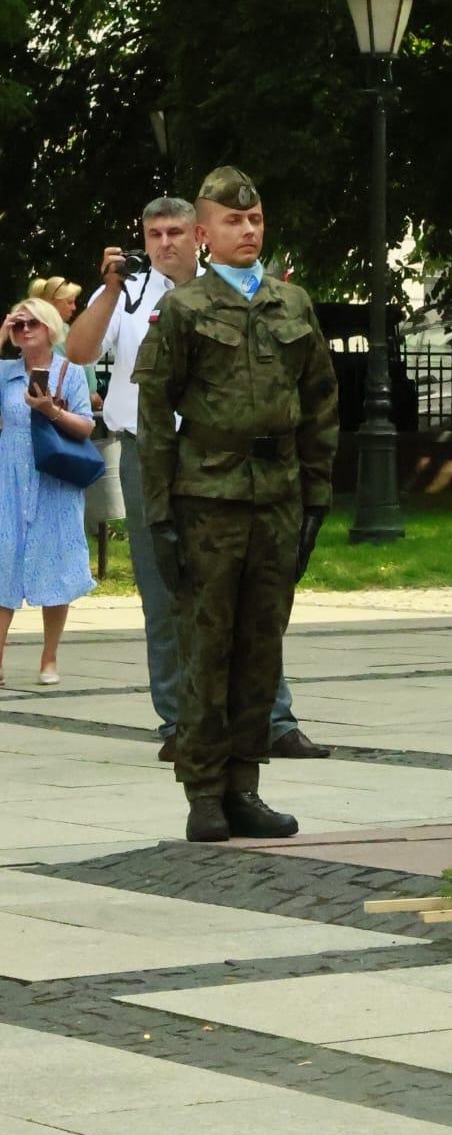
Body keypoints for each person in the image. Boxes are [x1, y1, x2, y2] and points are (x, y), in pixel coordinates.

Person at [67, 198, 328, 762]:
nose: (165, 243)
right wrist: (110, 289)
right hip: (146, 454)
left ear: (200, 235)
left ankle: (272, 720)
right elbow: (78, 351)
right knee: (163, 588)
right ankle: (179, 724)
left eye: (177, 231)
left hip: (220, 456)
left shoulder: (232, 290)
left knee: (250, 588)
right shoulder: (129, 294)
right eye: (154, 233)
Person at [133, 167, 341, 842]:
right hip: (208, 499)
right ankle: (203, 792)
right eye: (232, 221)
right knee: (206, 647)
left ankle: (246, 784)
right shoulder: (187, 308)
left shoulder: (293, 305)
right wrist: (160, 512)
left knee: (260, 647)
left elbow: (320, 404)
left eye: (254, 220)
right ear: (203, 234)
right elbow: (156, 414)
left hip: (276, 496)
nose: (248, 230)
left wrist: (315, 496)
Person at [0, 294, 96, 685]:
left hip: (54, 478)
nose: (24, 331)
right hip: (9, 480)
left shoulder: (68, 372)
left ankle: (49, 658)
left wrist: (51, 412)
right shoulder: (5, 371)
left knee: (55, 563)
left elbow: (87, 427)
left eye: (31, 324)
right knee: (4, 563)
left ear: (49, 327)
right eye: (18, 325)